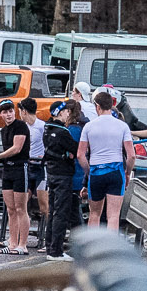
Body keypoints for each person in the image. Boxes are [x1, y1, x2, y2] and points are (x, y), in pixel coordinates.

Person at [78, 88, 134, 230]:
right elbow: (131, 155)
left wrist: (89, 172)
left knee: (94, 214)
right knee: (113, 215)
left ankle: (92, 248)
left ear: (97, 106)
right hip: (115, 171)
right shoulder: (122, 126)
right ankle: (110, 249)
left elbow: (80, 155)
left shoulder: (89, 127)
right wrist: (127, 172)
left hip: (96, 170)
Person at [0, 99, 32, 254]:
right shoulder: (3, 130)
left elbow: (17, 148)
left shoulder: (20, 126)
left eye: (10, 111)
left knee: (20, 208)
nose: (8, 114)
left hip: (20, 168)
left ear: (14, 112)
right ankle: (12, 243)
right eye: (5, 112)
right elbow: (7, 151)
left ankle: (22, 245)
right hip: (8, 169)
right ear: (0, 114)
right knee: (11, 209)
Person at [37, 99, 82, 256]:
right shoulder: (63, 132)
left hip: (51, 174)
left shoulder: (47, 129)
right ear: (60, 113)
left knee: (53, 211)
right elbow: (76, 150)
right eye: (65, 112)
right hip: (63, 175)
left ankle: (50, 247)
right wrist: (69, 154)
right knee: (61, 213)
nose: (67, 114)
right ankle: (56, 251)